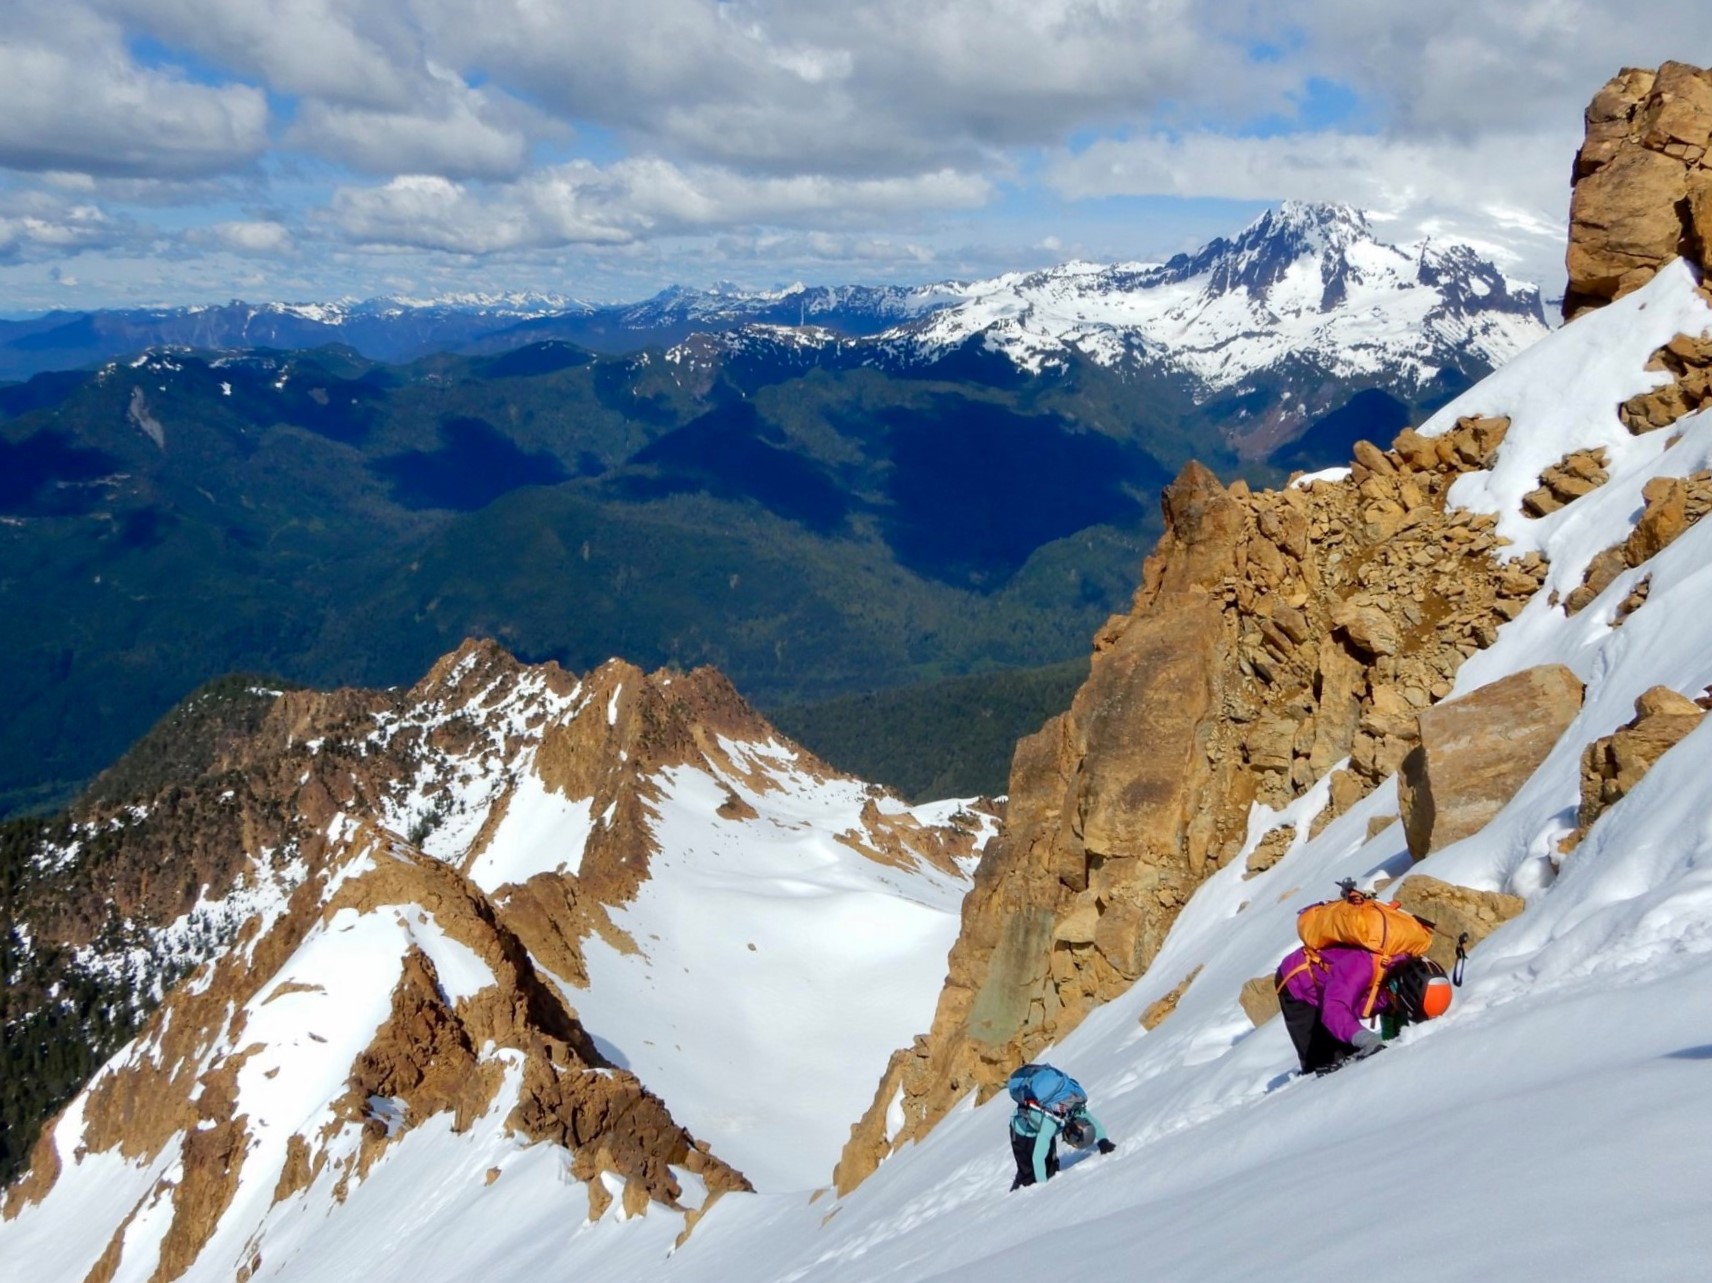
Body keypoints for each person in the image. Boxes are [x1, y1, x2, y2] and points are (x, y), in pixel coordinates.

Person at [1276, 944, 1452, 1075]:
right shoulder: (1361, 966)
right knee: (1320, 1064)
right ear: (1397, 991)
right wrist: (1365, 1038)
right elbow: (1335, 1009)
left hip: (1335, 990)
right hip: (1298, 983)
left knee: (1352, 1055)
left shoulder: (1401, 978)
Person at [1008, 1079, 1116, 1191]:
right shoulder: (1050, 1124)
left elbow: (1094, 1124)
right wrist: (1042, 1188)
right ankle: (1015, 1193)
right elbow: (1038, 1158)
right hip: (1022, 1132)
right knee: (1029, 1176)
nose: (1069, 1143)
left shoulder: (1076, 1111)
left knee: (1051, 1169)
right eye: (1072, 1142)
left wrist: (1103, 1141)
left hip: (1041, 1127)